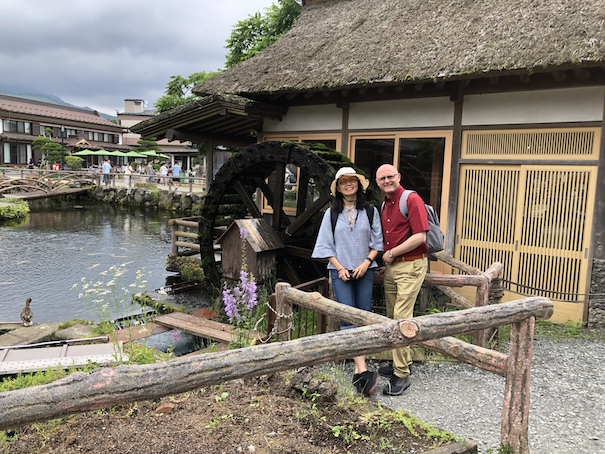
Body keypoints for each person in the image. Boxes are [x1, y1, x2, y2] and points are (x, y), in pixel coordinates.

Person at [312, 167, 383, 397]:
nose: (348, 184)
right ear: (338, 188)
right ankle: (362, 368)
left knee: (363, 316)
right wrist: (340, 267)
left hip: (365, 269)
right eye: (343, 182)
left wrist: (366, 263)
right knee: (347, 316)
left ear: (358, 185)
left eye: (352, 180)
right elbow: (326, 244)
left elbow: (378, 242)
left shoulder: (370, 211)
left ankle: (357, 368)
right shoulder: (331, 214)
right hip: (339, 271)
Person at [375, 164, 429, 396]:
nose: (387, 180)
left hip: (411, 264)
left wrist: (392, 253)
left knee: (401, 317)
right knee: (392, 316)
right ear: (377, 182)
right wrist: (389, 260)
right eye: (382, 178)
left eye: (390, 176)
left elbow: (420, 236)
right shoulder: (385, 203)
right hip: (393, 266)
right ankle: (401, 360)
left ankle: (402, 374)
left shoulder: (411, 199)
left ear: (399, 177)